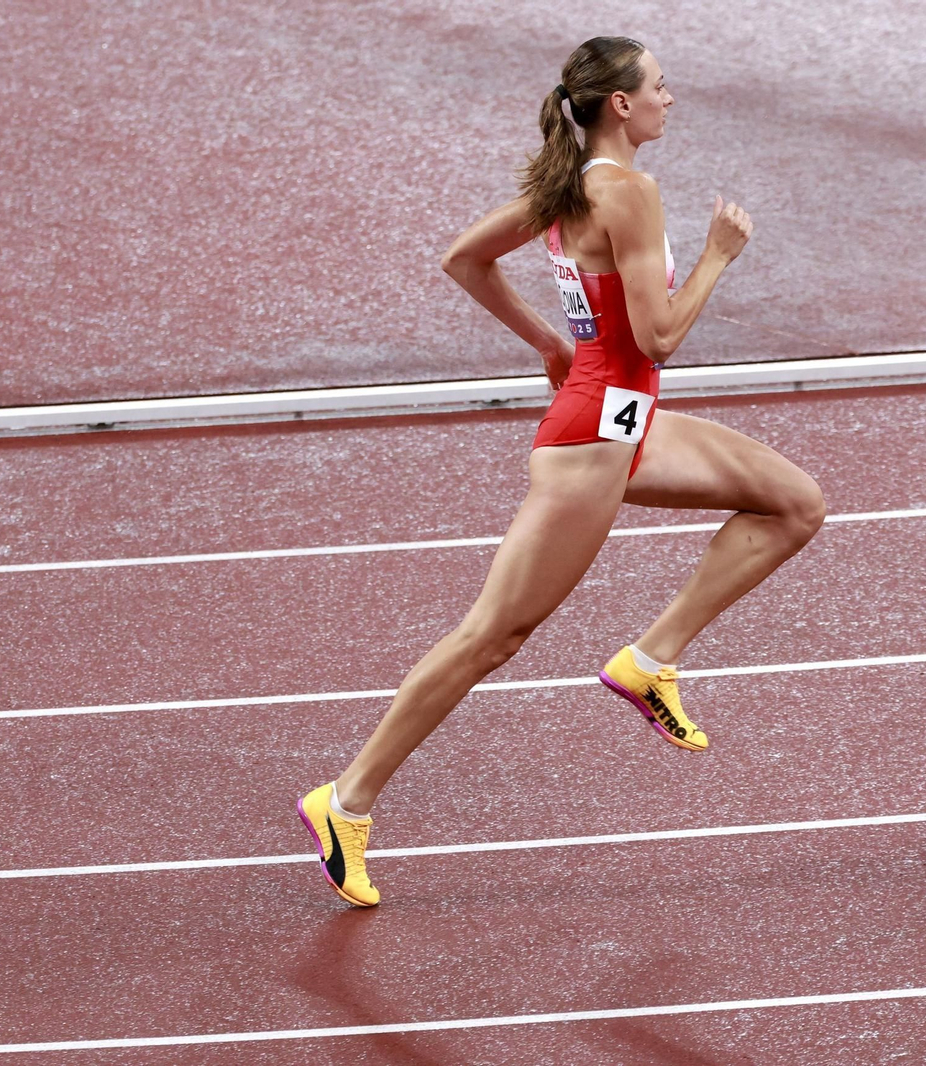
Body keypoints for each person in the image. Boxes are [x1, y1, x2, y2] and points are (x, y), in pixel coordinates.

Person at [297, 36, 825, 907]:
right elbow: (659, 338)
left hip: (623, 417)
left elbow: (463, 259)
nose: (669, 96)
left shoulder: (565, 185)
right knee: (492, 636)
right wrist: (719, 255)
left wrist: (548, 341)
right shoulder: (629, 191)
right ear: (619, 104)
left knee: (795, 505)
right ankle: (344, 801)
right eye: (658, 86)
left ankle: (651, 660)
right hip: (590, 439)